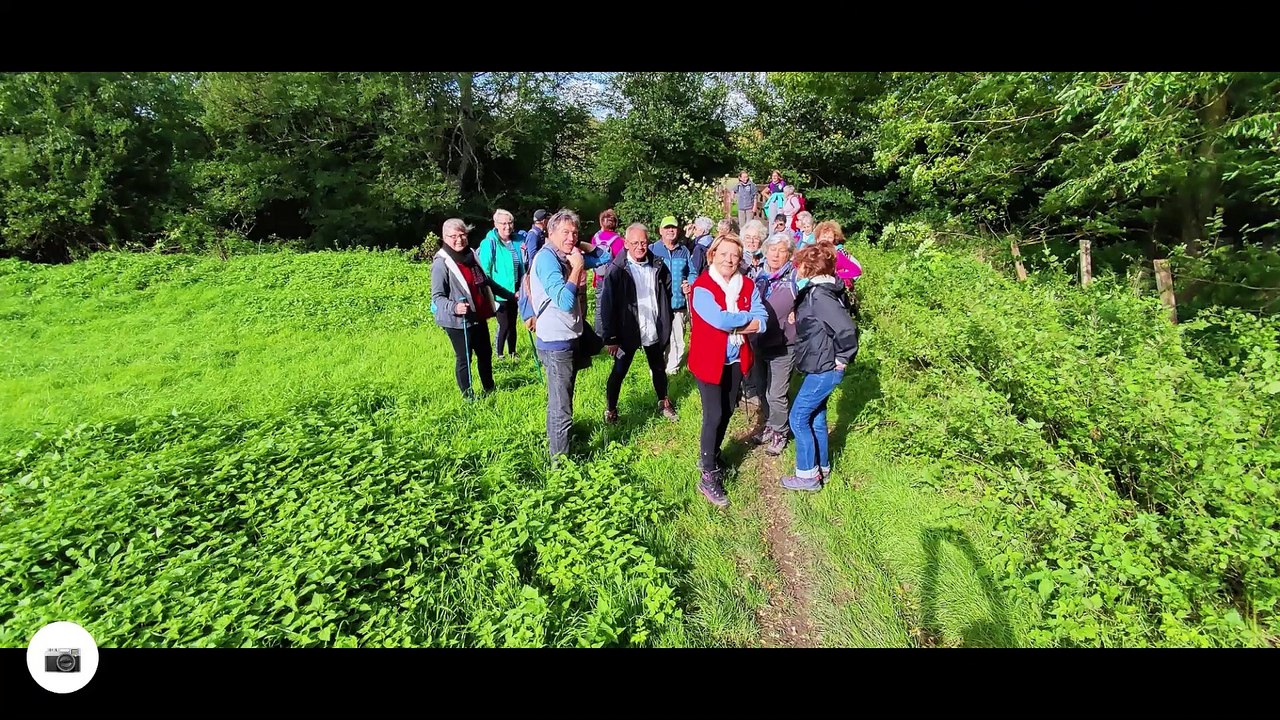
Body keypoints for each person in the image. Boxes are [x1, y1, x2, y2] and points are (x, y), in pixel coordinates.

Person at [688, 233, 768, 507]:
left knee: (729, 410)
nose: (730, 260)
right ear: (712, 255)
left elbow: (764, 320)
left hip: (735, 359)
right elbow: (719, 320)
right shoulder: (702, 287)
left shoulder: (747, 285)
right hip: (708, 361)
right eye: (724, 254)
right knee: (715, 414)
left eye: (735, 255)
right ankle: (707, 473)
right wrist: (747, 320)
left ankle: (712, 453)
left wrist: (739, 322)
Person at [528, 210, 613, 459]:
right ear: (549, 233)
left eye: (574, 232)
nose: (571, 237)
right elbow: (565, 301)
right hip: (556, 343)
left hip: (569, 337)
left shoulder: (566, 254)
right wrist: (576, 267)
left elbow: (604, 256)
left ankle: (561, 444)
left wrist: (578, 245)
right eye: (565, 232)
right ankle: (560, 464)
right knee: (561, 407)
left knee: (563, 399)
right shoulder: (547, 260)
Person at [781, 245, 860, 492]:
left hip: (824, 367)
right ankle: (821, 467)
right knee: (816, 417)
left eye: (801, 264)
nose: (797, 268)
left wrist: (842, 359)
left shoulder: (820, 295)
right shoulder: (818, 291)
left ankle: (806, 476)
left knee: (798, 417)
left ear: (810, 267)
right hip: (818, 363)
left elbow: (846, 329)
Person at [599, 223, 679, 424]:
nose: (640, 247)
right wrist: (611, 337)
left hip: (653, 326)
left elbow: (668, 293)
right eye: (635, 243)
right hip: (626, 330)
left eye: (643, 242)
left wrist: (667, 320)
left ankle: (664, 401)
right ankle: (611, 409)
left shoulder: (658, 266)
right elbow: (607, 305)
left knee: (658, 367)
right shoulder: (616, 270)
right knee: (619, 371)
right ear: (626, 244)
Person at [431, 218, 516, 399]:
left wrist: (510, 295)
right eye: (453, 236)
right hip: (458, 320)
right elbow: (437, 298)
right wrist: (454, 306)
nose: (459, 240)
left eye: (462, 235)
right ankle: (468, 396)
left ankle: (489, 389)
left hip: (478, 315)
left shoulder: (471, 255)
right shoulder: (441, 263)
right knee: (465, 358)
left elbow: (485, 281)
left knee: (485, 353)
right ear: (444, 237)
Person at [749, 232, 800, 456]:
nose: (776, 254)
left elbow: (812, 298)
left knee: (776, 393)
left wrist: (800, 311)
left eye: (782, 251)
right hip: (759, 342)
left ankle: (781, 431)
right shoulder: (758, 276)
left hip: (783, 344)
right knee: (761, 387)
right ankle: (771, 424)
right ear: (765, 250)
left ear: (789, 254)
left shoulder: (796, 277)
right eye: (772, 249)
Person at [476, 209, 526, 361]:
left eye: (510, 223)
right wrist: (490, 293)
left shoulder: (517, 241)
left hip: (516, 291)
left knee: (513, 324)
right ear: (495, 224)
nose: (507, 226)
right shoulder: (489, 243)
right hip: (499, 293)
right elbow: (485, 272)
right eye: (503, 223)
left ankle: (512, 352)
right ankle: (499, 354)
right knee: (503, 324)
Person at [649, 215, 692, 375]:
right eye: (667, 228)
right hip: (659, 305)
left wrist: (690, 282)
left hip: (679, 304)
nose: (670, 231)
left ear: (678, 230)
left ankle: (672, 371)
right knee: (659, 339)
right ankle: (657, 369)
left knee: (679, 341)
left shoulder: (684, 251)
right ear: (660, 231)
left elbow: (692, 272)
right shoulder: (653, 249)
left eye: (673, 227)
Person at [518, 209, 551, 328]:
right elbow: (532, 256)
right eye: (547, 219)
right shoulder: (533, 234)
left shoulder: (540, 233)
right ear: (543, 221)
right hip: (535, 273)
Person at [813, 220, 864, 288]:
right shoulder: (812, 253)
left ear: (834, 239)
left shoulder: (839, 253)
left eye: (830, 237)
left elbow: (857, 271)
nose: (826, 240)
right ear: (817, 239)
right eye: (824, 236)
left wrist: (838, 276)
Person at [591, 208, 624, 290]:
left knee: (600, 302)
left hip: (599, 277)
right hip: (613, 278)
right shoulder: (619, 240)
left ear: (601, 223)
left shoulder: (595, 238)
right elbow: (621, 261)